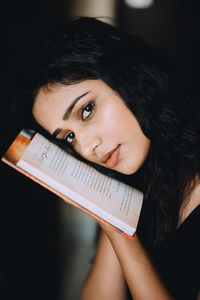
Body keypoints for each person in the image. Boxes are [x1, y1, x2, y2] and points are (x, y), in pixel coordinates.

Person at [21, 17, 200, 299]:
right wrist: (111, 211)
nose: (87, 147)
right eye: (68, 137)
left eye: (87, 110)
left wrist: (121, 236)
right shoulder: (138, 194)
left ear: (127, 75)